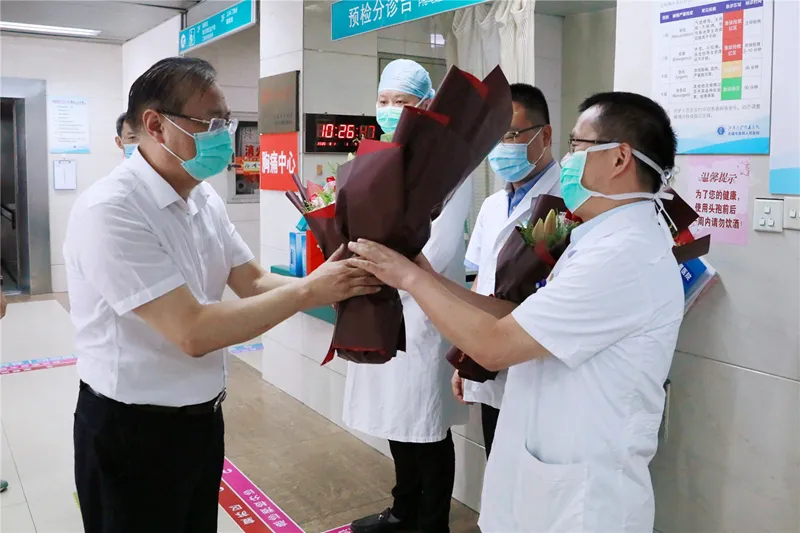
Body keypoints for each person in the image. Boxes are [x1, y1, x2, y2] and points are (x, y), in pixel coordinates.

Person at [63, 57, 379, 533]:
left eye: (226, 123)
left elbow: (252, 281)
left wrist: (333, 287)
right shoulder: (112, 211)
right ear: (156, 125)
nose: (224, 137)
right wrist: (311, 290)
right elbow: (192, 331)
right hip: (131, 430)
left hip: (201, 420)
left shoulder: (203, 197)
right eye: (210, 123)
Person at [349, 92, 684, 533]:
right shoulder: (600, 238)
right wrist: (424, 273)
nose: (568, 159)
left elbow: (495, 344)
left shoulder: (623, 255)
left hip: (585, 498)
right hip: (550, 468)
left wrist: (410, 279)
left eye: (577, 145)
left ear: (620, 158)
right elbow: (514, 314)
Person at [345, 59, 472, 533]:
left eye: (402, 101)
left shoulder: (449, 165)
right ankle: (403, 511)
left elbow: (439, 248)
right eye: (384, 100)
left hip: (425, 312)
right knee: (399, 419)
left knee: (427, 424)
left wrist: (386, 264)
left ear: (426, 105)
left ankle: (431, 522)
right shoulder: (379, 156)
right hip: (386, 305)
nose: (390, 109)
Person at [457, 83, 561, 459]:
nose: (501, 147)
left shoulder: (570, 201)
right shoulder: (491, 206)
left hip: (542, 370)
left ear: (544, 136)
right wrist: (466, 359)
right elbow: (480, 284)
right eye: (494, 138)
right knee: (497, 465)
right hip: (490, 362)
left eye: (512, 135)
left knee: (533, 476)